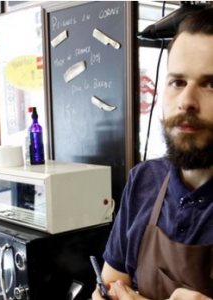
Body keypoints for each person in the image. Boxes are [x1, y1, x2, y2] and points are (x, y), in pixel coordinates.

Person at [92, 7, 213, 300]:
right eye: (178, 82)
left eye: (211, 84)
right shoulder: (144, 180)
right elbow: (108, 288)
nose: (186, 101)